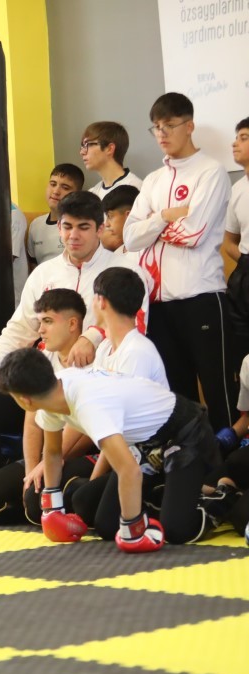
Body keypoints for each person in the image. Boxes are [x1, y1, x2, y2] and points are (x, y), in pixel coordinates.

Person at [0, 191, 146, 493]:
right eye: (67, 227)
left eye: (83, 227)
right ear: (59, 228)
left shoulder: (125, 271)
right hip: (47, 387)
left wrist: (92, 336)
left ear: (100, 228)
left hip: (95, 395)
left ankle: (37, 486)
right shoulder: (45, 273)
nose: (73, 235)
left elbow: (135, 325)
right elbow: (19, 330)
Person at [0, 347, 220, 549]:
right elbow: (53, 452)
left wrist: (133, 530)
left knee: (178, 530)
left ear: (24, 400)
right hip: (145, 444)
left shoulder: (89, 405)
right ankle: (170, 490)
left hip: (184, 431)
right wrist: (52, 510)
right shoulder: (53, 393)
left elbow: (128, 469)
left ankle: (222, 497)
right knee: (107, 525)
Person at [125, 92, 237, 433]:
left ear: (189, 126)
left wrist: (152, 226)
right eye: (156, 127)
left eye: (169, 126)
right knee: (177, 392)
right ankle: (191, 456)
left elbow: (193, 234)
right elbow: (130, 237)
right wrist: (165, 216)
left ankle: (229, 458)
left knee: (218, 389)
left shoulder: (210, 172)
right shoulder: (154, 180)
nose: (161, 134)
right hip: (159, 303)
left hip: (201, 296)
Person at [0, 289, 90, 526]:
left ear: (72, 324)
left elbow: (87, 429)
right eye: (40, 322)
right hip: (52, 449)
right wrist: (30, 471)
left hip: (82, 450)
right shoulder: (45, 358)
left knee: (35, 502)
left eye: (48, 321)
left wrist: (49, 462)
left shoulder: (90, 360)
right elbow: (32, 421)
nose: (41, 330)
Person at [27, 163, 85, 265]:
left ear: (77, 194)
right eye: (53, 184)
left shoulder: (82, 226)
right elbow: (33, 264)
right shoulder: (36, 225)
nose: (56, 191)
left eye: (65, 187)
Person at [80, 121, 143, 198]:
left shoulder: (135, 188)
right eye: (83, 146)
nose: (82, 152)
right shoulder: (92, 193)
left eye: (88, 145)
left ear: (109, 149)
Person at [222, 117, 249, 264]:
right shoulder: (236, 190)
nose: (234, 143)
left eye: (243, 138)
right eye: (236, 138)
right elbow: (228, 242)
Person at [101, 186, 141, 253]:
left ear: (129, 216)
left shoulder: (143, 248)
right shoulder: (119, 249)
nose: (107, 224)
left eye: (110, 216)